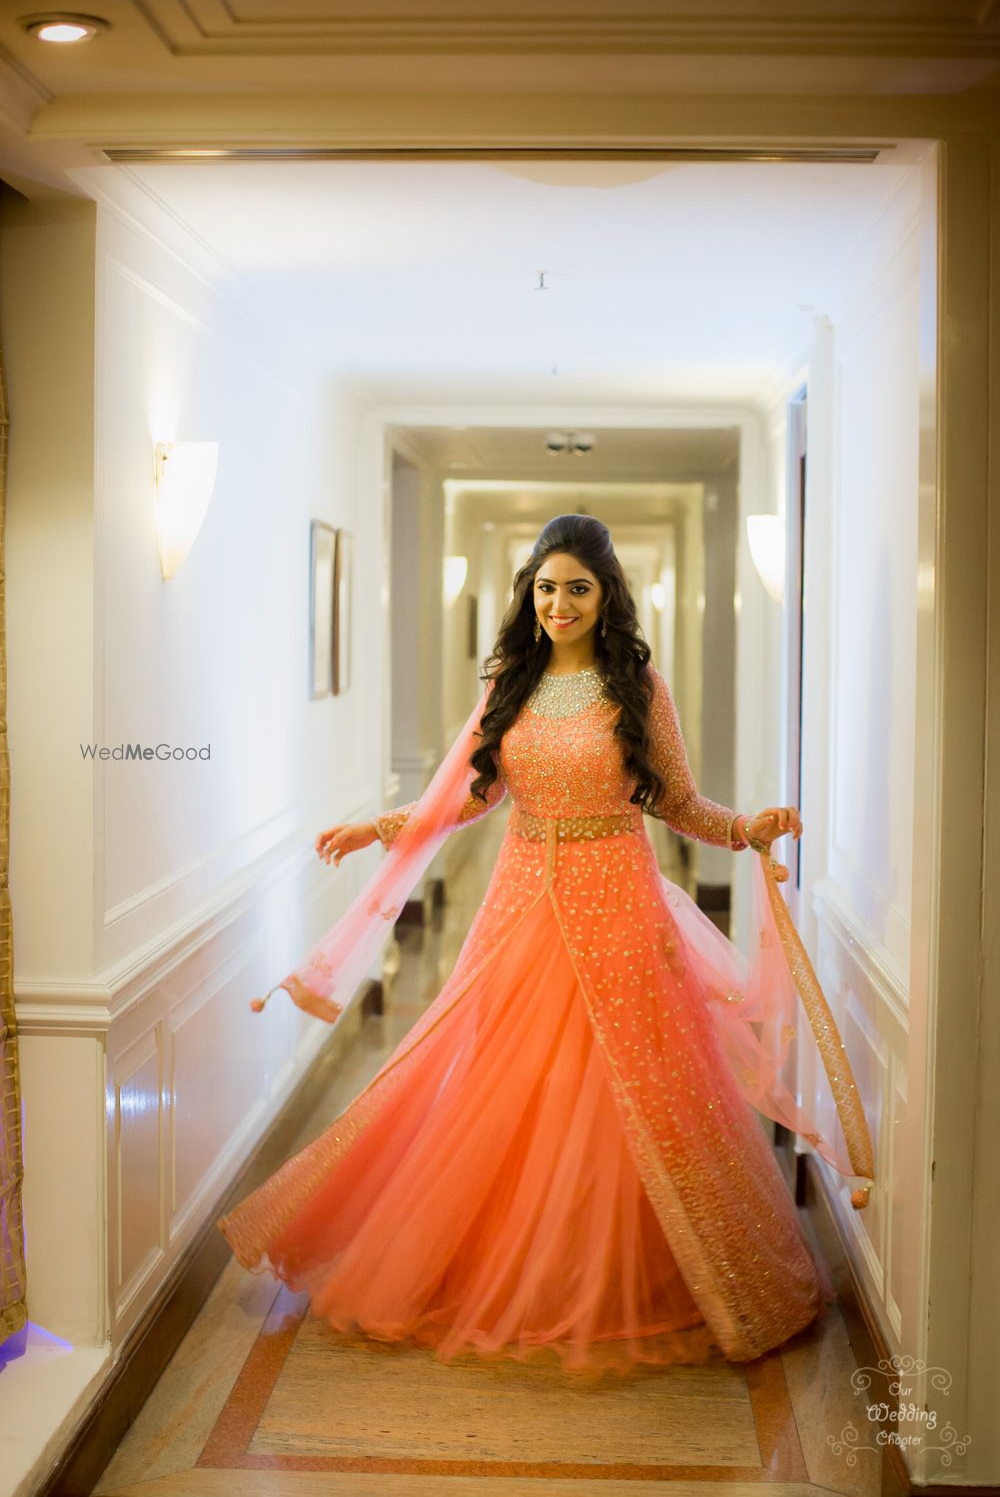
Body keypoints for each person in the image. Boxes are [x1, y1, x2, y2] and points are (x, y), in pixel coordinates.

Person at [218, 513, 838, 1379]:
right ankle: (504, 1261)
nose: (558, 603)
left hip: (619, 907)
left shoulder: (640, 687)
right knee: (503, 1083)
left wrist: (747, 828)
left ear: (606, 594)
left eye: (576, 588)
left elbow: (679, 804)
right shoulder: (511, 679)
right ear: (530, 594)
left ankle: (667, 1272)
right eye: (546, 587)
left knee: (638, 1092)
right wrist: (378, 828)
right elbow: (472, 796)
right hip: (520, 908)